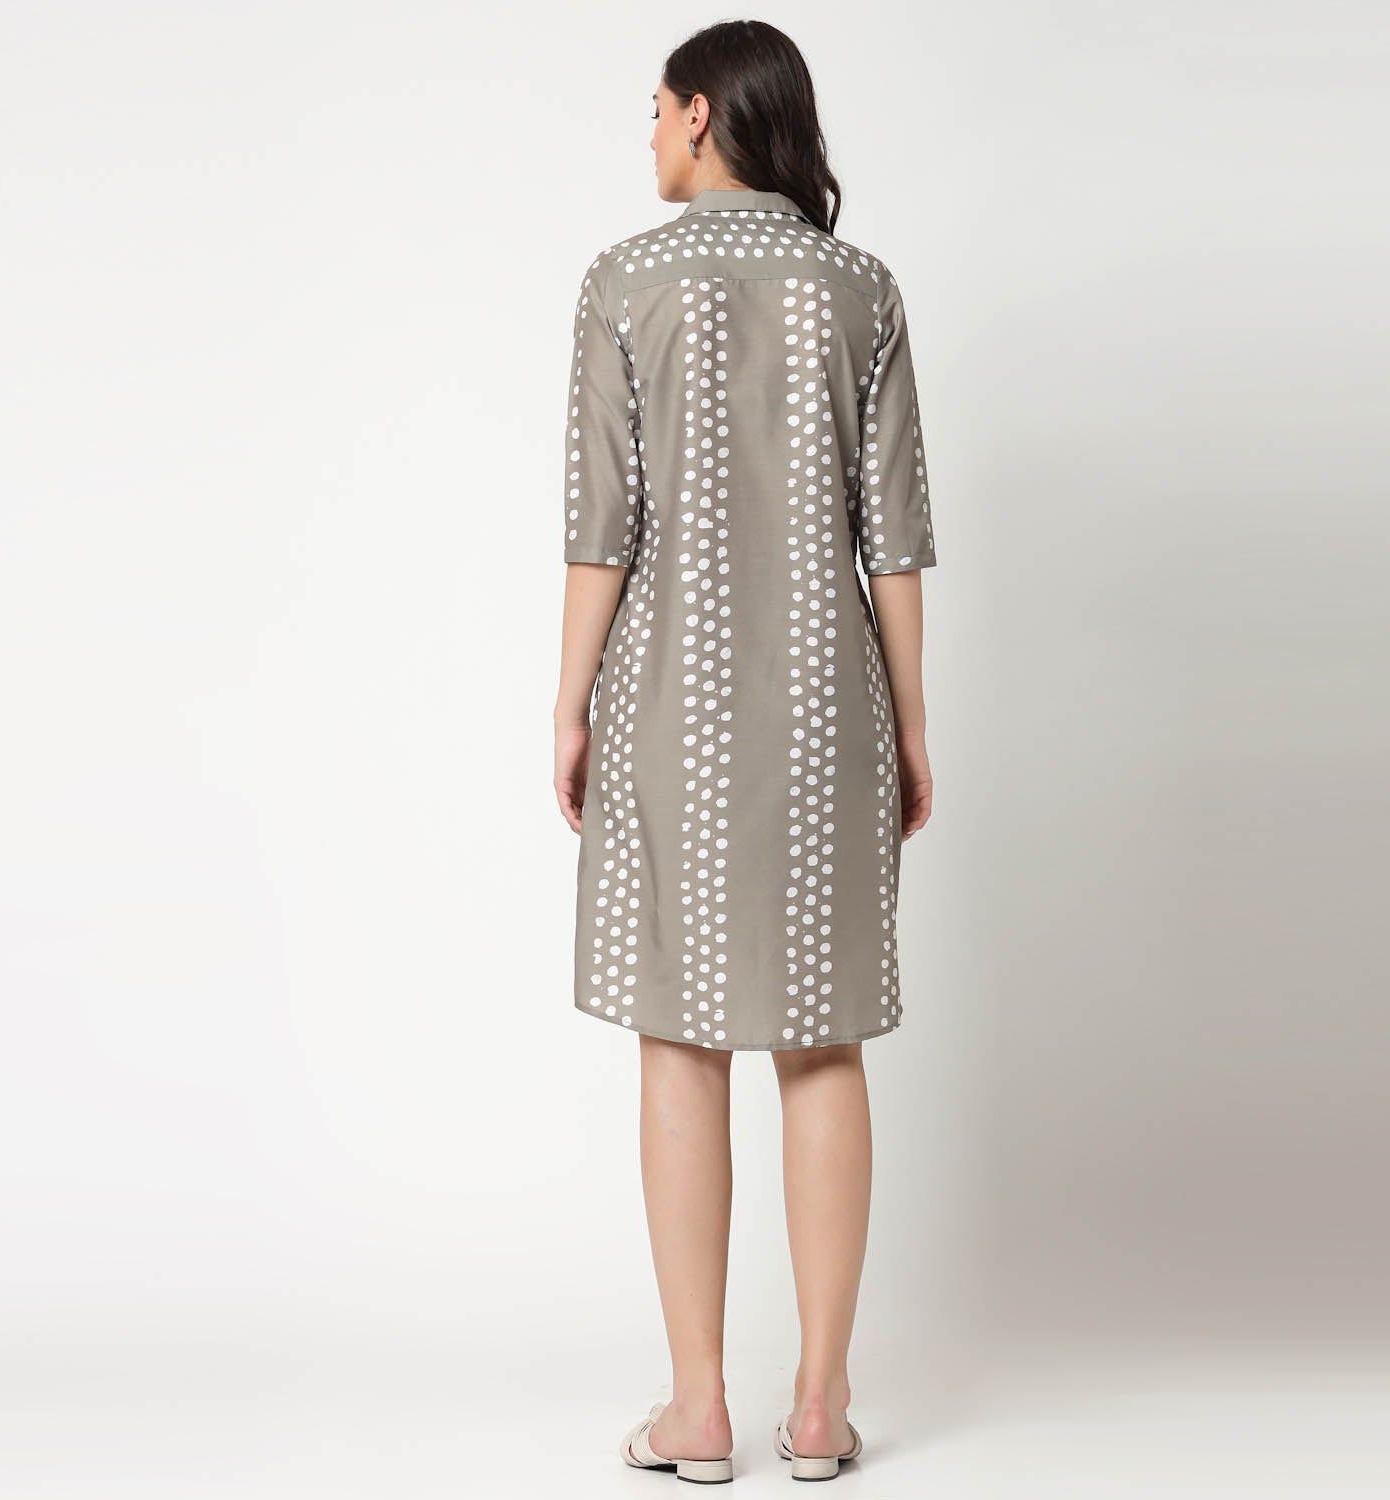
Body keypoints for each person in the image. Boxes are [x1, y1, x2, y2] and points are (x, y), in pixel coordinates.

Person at [553, 20, 936, 1485]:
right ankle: (823, 1409)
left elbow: (602, 527)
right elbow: (895, 540)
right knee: (822, 1040)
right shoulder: (862, 288)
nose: (649, 134)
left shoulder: (621, 282)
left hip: (670, 702)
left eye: (656, 109)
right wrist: (911, 724)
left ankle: (699, 1409)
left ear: (704, 114)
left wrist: (571, 703)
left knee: (681, 1033)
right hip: (832, 703)